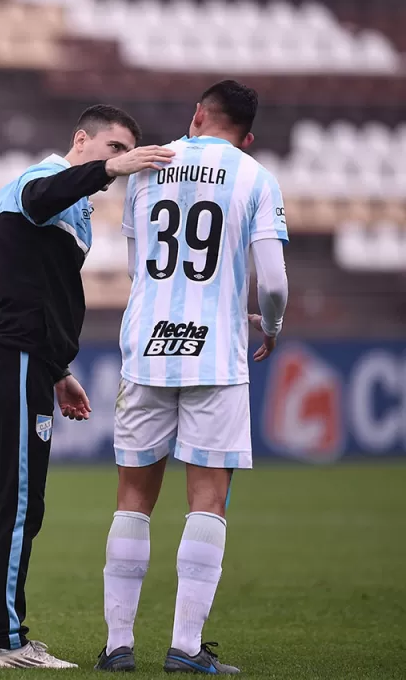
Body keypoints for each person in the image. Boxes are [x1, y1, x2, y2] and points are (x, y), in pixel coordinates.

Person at [0, 104, 172, 669]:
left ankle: (6, 635)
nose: (120, 160)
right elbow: (35, 200)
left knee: (19, 508)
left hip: (26, 362)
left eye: (124, 151)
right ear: (82, 139)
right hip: (13, 361)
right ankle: (6, 643)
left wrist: (59, 372)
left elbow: (37, 289)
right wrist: (111, 169)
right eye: (112, 147)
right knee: (21, 505)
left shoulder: (73, 203)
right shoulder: (41, 181)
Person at [97, 80, 287, 675]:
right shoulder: (255, 176)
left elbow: (134, 267)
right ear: (247, 134)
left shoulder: (146, 167)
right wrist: (271, 325)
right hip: (216, 356)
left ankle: (118, 646)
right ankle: (184, 648)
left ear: (198, 115)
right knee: (207, 502)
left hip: (147, 349)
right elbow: (274, 282)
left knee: (132, 500)